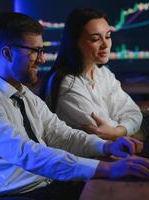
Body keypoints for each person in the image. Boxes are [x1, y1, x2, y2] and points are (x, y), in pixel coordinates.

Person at [0, 12, 149, 200]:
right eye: (35, 52)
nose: (42, 59)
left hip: (46, 186)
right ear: (7, 53)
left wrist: (106, 146)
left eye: (42, 51)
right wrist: (107, 169)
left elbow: (62, 134)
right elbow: (29, 154)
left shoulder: (23, 94)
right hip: (15, 196)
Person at [40, 8, 143, 140]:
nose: (105, 44)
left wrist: (118, 131)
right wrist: (121, 127)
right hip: (84, 158)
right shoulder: (67, 84)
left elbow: (133, 113)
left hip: (107, 151)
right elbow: (99, 132)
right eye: (95, 39)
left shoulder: (103, 73)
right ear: (75, 43)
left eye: (108, 36)